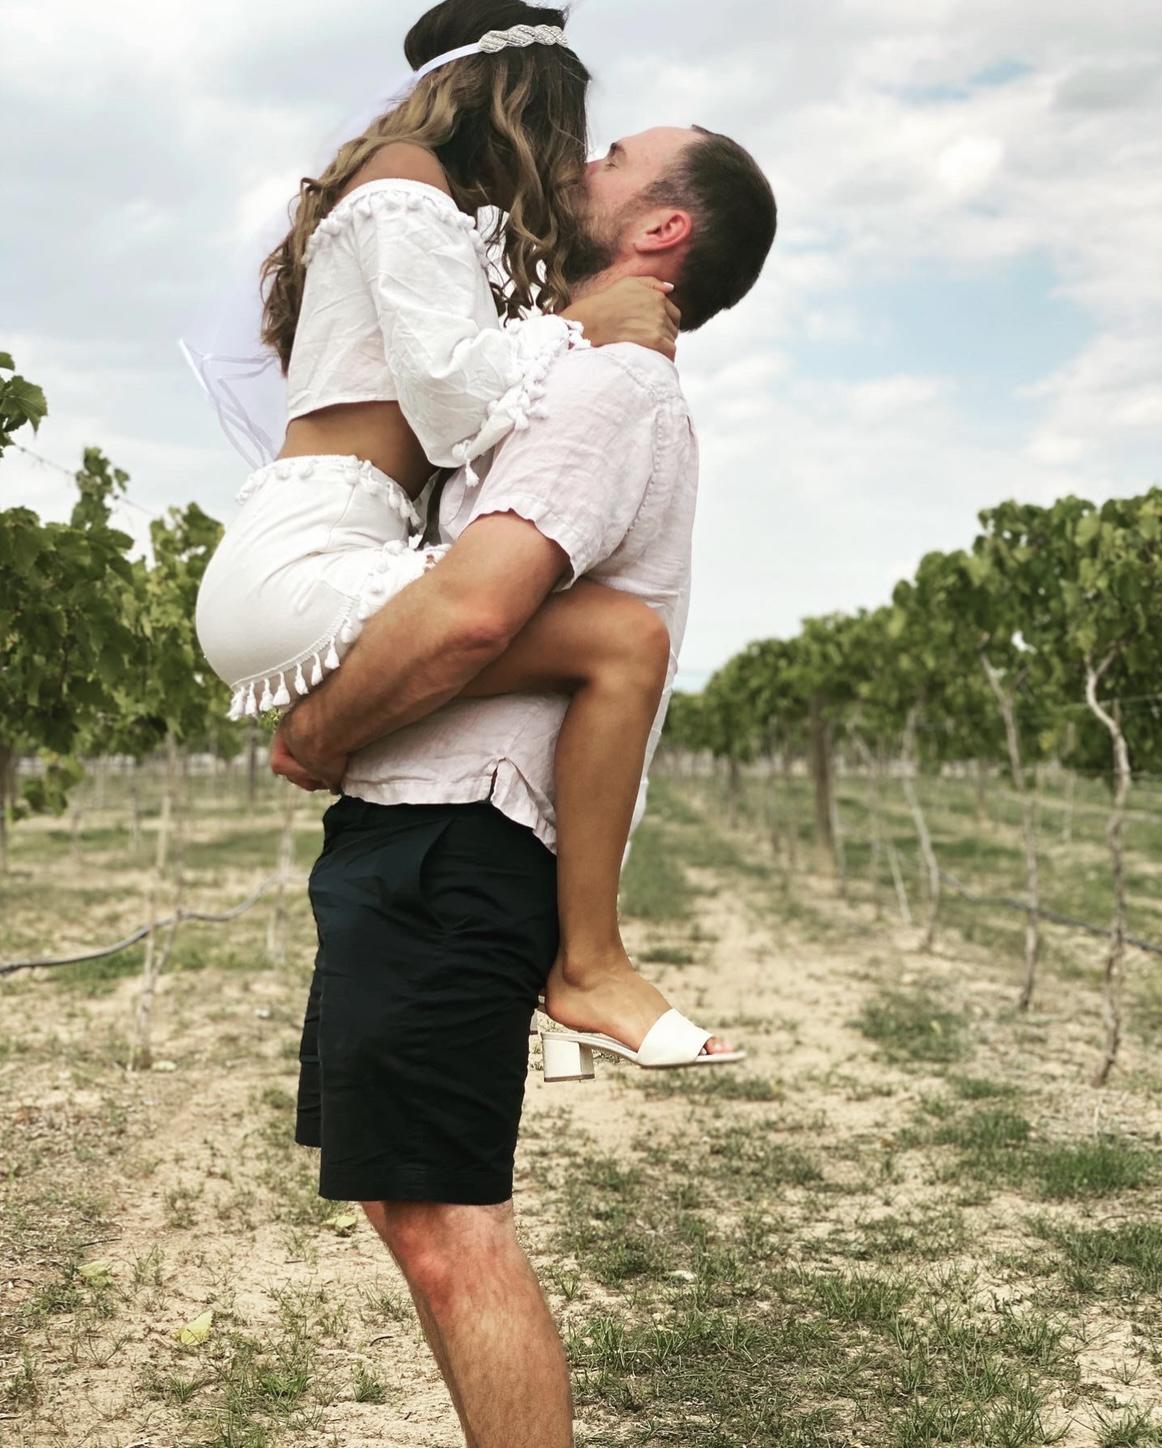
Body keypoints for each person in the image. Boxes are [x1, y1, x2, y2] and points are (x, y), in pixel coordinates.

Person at [278, 121, 777, 1447]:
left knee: (448, 1225)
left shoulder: (606, 392)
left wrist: (321, 726)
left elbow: (472, 613)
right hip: (431, 831)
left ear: (662, 228)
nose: (574, 163)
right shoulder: (563, 365)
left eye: (610, 156)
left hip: (460, 840)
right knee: (415, 1209)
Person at [194, 0, 734, 1062]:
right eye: (576, 135)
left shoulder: (426, 206)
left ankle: (568, 954)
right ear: (523, 103)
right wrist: (582, 323)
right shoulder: (404, 180)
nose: (575, 161)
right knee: (622, 640)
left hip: (342, 539)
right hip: (304, 552)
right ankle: (589, 966)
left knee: (594, 640)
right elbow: (450, 399)